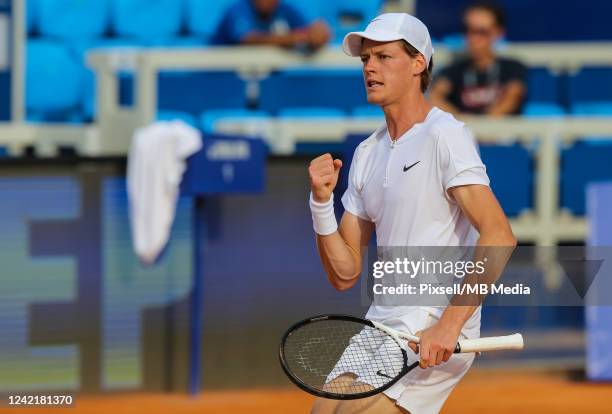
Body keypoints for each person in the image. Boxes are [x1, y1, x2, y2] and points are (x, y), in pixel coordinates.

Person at [307, 12, 516, 414]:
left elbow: (499, 236)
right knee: (325, 412)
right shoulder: (367, 153)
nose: (369, 67)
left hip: (432, 320)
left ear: (418, 64)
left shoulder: (445, 135)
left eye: (384, 57)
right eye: (366, 58)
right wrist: (320, 204)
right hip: (382, 318)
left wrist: (450, 324)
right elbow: (345, 272)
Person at [429, 2, 527, 116]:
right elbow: (435, 97)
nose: (472, 38)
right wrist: (461, 126)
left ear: (498, 33)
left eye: (481, 32)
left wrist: (476, 126)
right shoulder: (453, 71)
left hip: (503, 133)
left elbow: (512, 98)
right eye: (467, 30)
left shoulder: (513, 68)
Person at [212, 0, 330, 50]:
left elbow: (311, 31)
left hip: (270, 88)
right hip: (219, 84)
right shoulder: (238, 10)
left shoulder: (284, 10)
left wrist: (318, 33)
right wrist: (288, 39)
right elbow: (246, 39)